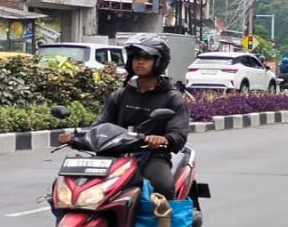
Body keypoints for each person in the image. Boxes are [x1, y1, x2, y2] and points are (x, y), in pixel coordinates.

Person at [58, 34, 190, 199]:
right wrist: (77, 137)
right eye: (135, 57)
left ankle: (166, 223)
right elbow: (100, 124)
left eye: (146, 58)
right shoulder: (121, 95)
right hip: (115, 154)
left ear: (159, 62)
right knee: (74, 186)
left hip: (151, 156)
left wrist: (163, 139)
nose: (139, 61)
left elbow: (178, 133)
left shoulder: (172, 98)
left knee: (162, 184)